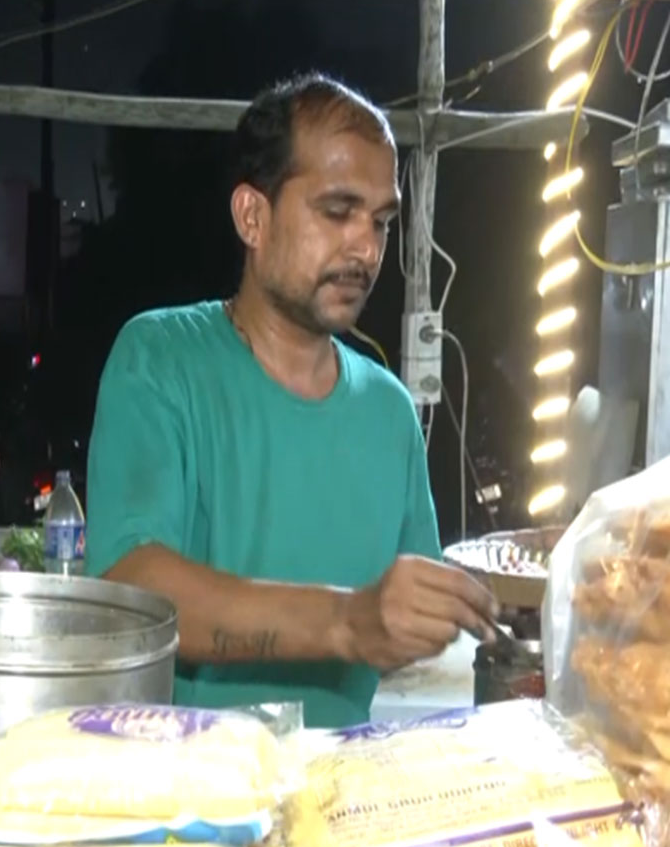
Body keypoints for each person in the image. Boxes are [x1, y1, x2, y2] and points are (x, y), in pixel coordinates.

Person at [85, 72, 498, 729]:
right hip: (193, 801)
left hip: (343, 799)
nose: (365, 248)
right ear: (253, 216)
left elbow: (404, 621)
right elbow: (135, 588)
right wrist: (344, 623)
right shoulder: (162, 359)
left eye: (381, 222)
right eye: (338, 211)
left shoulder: (388, 412)